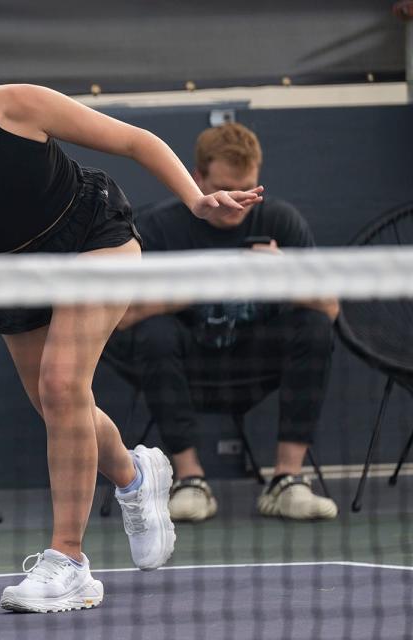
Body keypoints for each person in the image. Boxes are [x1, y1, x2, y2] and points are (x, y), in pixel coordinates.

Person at [0, 14, 263, 613]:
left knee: (63, 387)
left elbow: (138, 141)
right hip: (12, 276)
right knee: (60, 405)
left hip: (94, 239)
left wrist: (197, 199)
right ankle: (137, 478)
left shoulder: (21, 106)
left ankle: (71, 562)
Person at [112, 122, 340, 524]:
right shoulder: (159, 228)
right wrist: (199, 288)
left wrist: (280, 273)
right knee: (154, 333)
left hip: (254, 362)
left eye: (249, 190)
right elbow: (122, 317)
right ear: (197, 178)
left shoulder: (281, 222)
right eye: (225, 189)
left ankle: (288, 481)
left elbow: (331, 307)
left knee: (315, 326)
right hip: (185, 363)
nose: (238, 202)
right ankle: (190, 480)